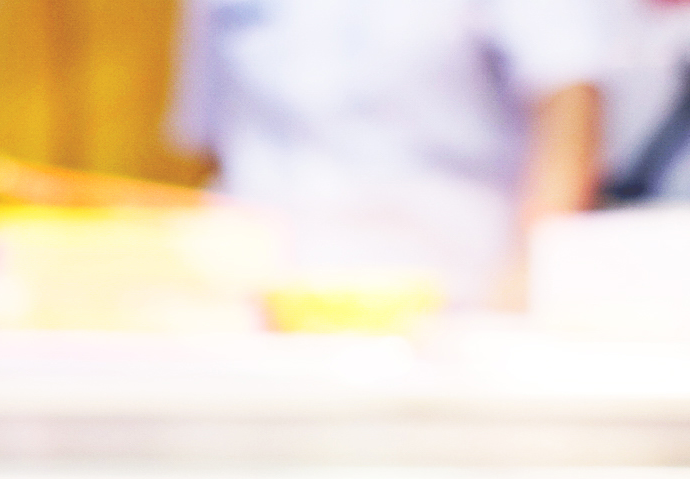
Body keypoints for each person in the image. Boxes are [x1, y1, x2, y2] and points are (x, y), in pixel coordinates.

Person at [170, 0, 613, 309]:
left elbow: (569, 106)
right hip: (265, 297)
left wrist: (526, 280)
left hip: (453, 296)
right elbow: (211, 138)